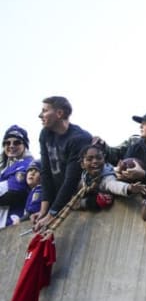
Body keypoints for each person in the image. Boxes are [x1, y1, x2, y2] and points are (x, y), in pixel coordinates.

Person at [32, 96, 92, 232]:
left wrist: (52, 213)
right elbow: (46, 172)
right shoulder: (45, 133)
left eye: (45, 111)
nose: (40, 115)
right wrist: (44, 210)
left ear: (59, 113)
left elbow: (71, 180)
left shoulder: (79, 138)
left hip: (77, 194)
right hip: (57, 195)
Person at [72, 144, 146, 211]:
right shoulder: (85, 175)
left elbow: (114, 185)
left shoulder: (107, 177)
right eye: (89, 159)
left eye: (99, 158)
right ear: (82, 164)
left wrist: (129, 188)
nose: (95, 161)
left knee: (100, 201)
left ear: (104, 159)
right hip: (87, 191)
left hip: (97, 198)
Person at [0, 125, 34, 228]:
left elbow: (15, 191)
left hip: (14, 223)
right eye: (7, 142)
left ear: (25, 146)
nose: (11, 146)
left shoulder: (29, 164)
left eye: (17, 142)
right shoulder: (3, 169)